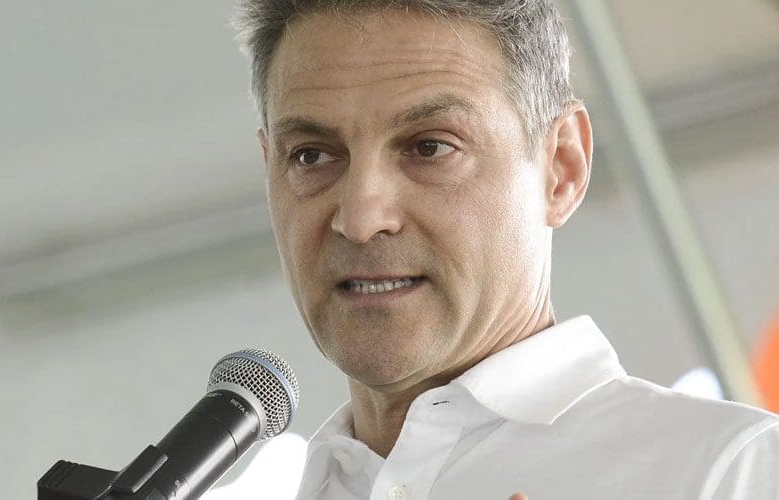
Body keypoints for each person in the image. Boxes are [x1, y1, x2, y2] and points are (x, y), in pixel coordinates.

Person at [233, 1, 779, 498]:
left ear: (561, 168)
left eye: (430, 147)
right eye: (310, 156)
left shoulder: (734, 471)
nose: (359, 219)